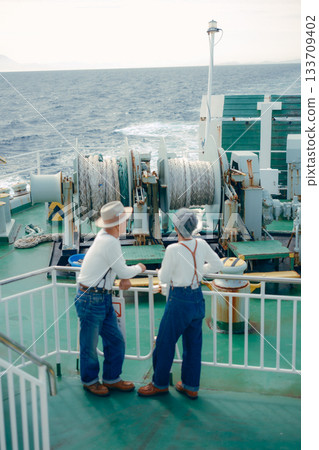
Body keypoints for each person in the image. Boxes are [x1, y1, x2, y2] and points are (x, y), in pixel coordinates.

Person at [138, 208, 223, 399]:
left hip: (179, 300)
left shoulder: (173, 249)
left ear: (177, 227)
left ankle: (159, 384)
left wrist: (160, 271)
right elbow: (218, 265)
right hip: (197, 297)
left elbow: (165, 277)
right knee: (193, 345)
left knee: (165, 342)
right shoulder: (201, 244)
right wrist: (199, 271)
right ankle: (191, 386)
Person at [75, 201, 146, 397]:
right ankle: (90, 381)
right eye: (124, 221)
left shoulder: (106, 238)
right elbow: (122, 268)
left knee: (115, 341)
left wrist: (121, 277)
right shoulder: (110, 242)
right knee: (89, 345)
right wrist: (139, 268)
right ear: (117, 224)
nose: (127, 224)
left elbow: (113, 267)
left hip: (101, 297)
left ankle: (111, 379)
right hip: (91, 299)